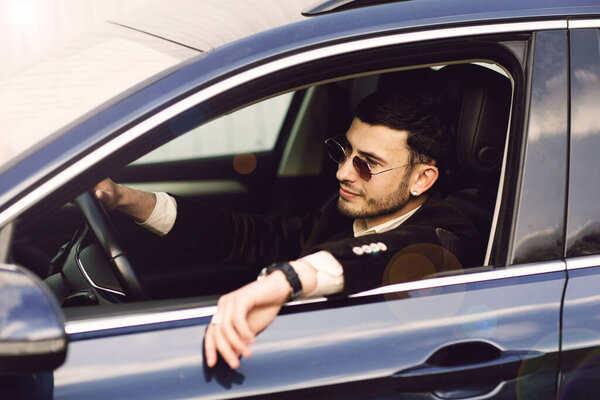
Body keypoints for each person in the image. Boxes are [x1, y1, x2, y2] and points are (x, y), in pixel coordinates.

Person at [94, 88, 480, 370]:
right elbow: (254, 237)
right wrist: (127, 199)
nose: (343, 171)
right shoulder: (346, 211)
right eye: (344, 151)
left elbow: (390, 254)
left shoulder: (446, 232)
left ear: (422, 179)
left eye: (367, 164)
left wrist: (284, 280)